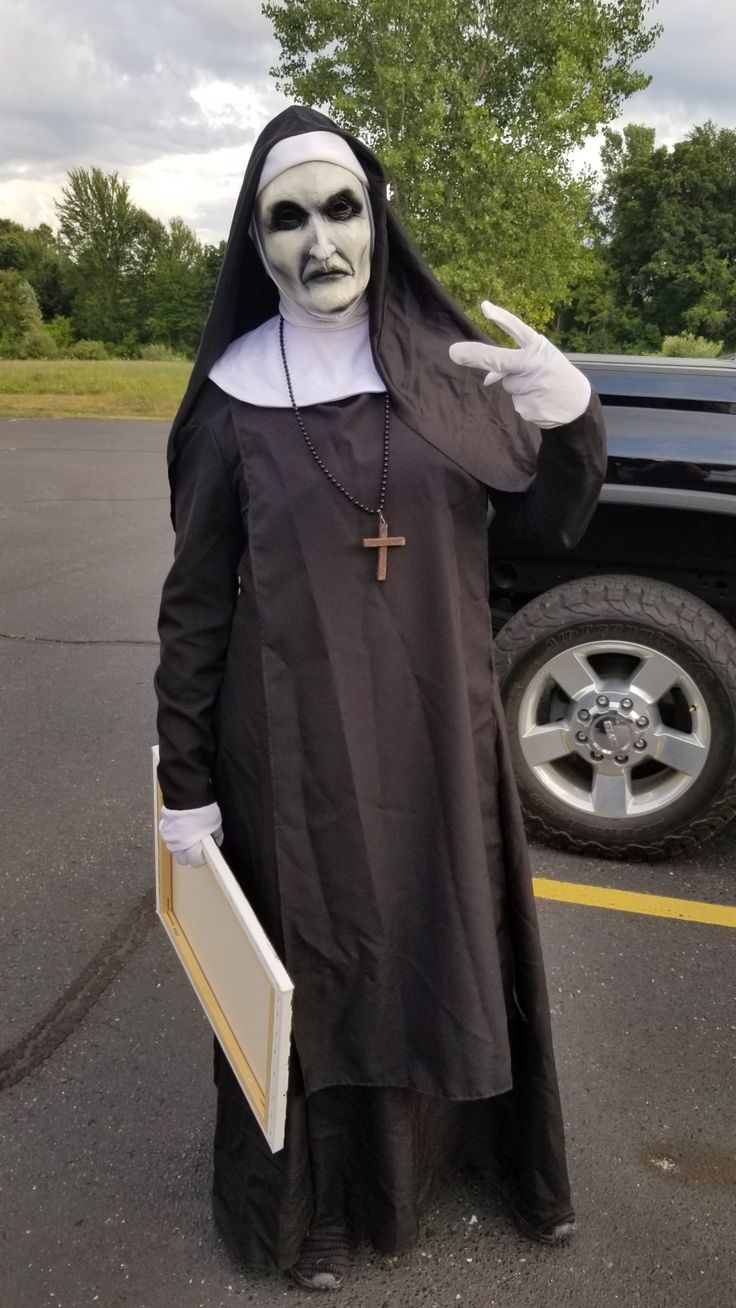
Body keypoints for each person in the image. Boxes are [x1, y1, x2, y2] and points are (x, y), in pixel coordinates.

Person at [155, 105, 606, 1290]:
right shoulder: (233, 403)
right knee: (321, 963)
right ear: (257, 246)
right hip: (290, 750)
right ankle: (313, 1215)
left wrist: (568, 421)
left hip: (435, 734)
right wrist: (183, 787)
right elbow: (196, 604)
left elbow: (542, 522)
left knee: (442, 939)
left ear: (377, 219)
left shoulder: (444, 375)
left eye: (340, 208)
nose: (318, 241)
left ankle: (489, 1164)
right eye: (285, 218)